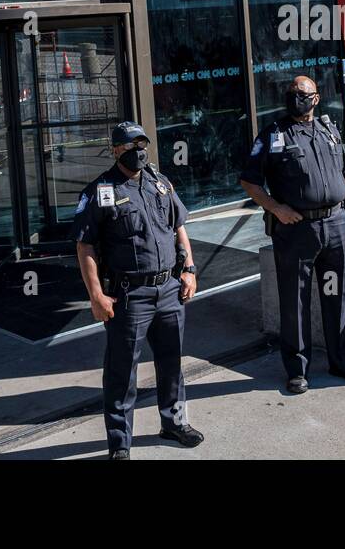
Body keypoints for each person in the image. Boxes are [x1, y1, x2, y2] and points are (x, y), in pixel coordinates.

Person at [74, 121, 205, 459]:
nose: (139, 151)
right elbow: (85, 247)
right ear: (116, 150)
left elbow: (179, 228)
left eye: (142, 144)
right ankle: (120, 443)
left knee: (171, 362)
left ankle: (174, 423)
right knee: (121, 372)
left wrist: (189, 269)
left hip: (169, 289)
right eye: (131, 146)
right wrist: (96, 296)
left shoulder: (160, 183)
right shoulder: (99, 192)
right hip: (130, 297)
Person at [240, 75, 345, 394]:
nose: (296, 98)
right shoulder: (273, 135)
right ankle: (297, 371)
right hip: (297, 232)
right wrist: (276, 209)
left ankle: (342, 362)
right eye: (291, 94)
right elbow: (250, 182)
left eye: (302, 94)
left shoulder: (329, 129)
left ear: (316, 97)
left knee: (336, 297)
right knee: (295, 302)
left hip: (336, 228)